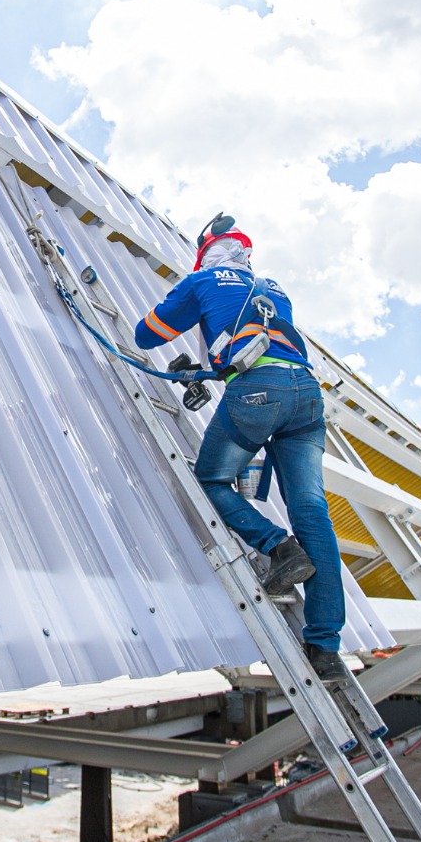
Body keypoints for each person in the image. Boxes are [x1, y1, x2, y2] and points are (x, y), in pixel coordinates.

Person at [133, 213, 346, 677]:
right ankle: (325, 650)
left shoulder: (202, 279)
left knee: (211, 477)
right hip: (306, 396)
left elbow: (146, 335)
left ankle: (278, 548)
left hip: (257, 391)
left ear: (205, 252)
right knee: (313, 513)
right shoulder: (274, 288)